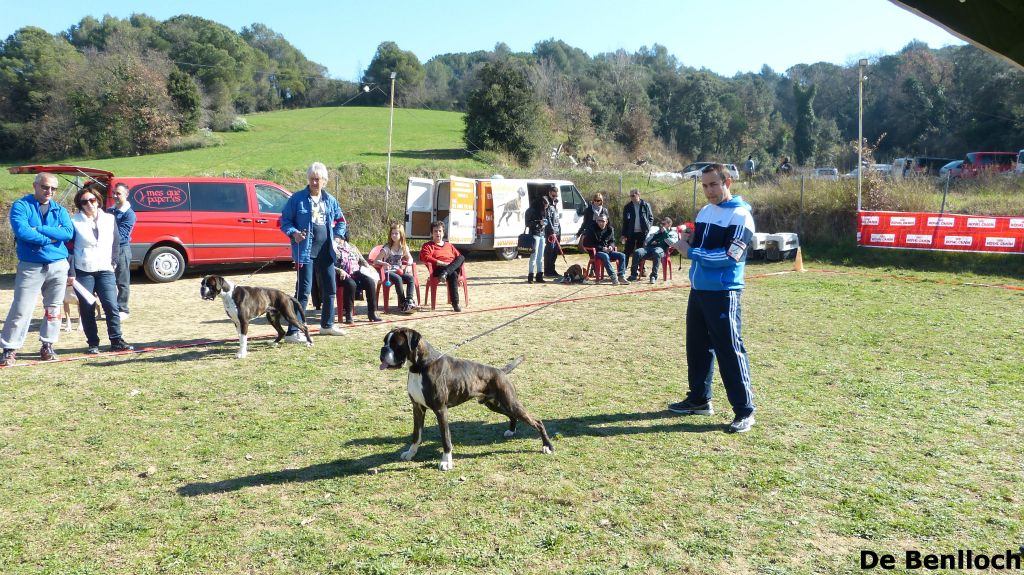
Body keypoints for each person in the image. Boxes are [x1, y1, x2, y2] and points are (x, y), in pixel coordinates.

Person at [669, 164, 757, 433]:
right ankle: (699, 399)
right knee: (697, 347)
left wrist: (690, 252)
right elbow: (702, 245)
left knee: (729, 350)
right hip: (698, 290)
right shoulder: (705, 211)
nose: (709, 191)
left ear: (727, 183)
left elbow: (731, 256)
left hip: (724, 293)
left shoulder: (741, 216)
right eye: (705, 185)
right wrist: (689, 238)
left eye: (714, 185)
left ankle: (744, 411)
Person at [1, 173, 75, 366]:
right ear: (35, 185)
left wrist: (40, 230)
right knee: (21, 308)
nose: (49, 191)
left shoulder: (60, 210)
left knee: (54, 309)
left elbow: (68, 233)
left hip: (58, 265)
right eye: (45, 187)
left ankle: (48, 345)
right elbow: (22, 231)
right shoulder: (21, 206)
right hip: (31, 266)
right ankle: (9, 349)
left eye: (53, 188)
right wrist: (51, 239)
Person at [280, 162, 347, 338]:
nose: (315, 183)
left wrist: (338, 237)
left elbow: (341, 221)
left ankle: (327, 325)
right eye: (312, 179)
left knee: (330, 289)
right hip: (305, 252)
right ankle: (293, 331)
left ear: (324, 180)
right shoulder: (297, 199)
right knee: (303, 292)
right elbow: (285, 221)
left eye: (318, 179)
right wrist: (294, 233)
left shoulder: (330, 200)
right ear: (308, 180)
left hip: (326, 251)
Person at [67, 183, 134, 354]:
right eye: (84, 202)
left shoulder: (109, 219)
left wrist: (113, 262)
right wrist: (71, 272)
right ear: (80, 204)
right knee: (87, 307)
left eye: (92, 200)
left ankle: (116, 340)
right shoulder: (74, 221)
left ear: (98, 200)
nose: (89, 204)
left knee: (111, 306)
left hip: (105, 269)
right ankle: (93, 343)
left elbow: (116, 242)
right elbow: (69, 248)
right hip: (83, 270)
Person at [335, 235, 382, 324]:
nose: (335, 238)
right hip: (341, 274)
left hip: (356, 272)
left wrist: (369, 269)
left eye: (337, 236)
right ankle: (348, 314)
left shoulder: (352, 247)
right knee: (351, 284)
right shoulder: (333, 248)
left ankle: (372, 312)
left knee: (370, 282)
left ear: (343, 237)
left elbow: (362, 260)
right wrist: (339, 270)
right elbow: (329, 265)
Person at [419, 220, 465, 312]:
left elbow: (459, 258)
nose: (438, 233)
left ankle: (446, 273)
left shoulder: (449, 245)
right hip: (438, 269)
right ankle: (455, 303)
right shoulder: (427, 246)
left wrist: (459, 274)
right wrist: (441, 263)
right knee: (453, 273)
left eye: (440, 231)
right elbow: (425, 257)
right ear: (432, 233)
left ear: (443, 233)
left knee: (461, 257)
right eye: (435, 231)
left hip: (449, 269)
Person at [374, 223, 417, 313]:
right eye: (392, 233)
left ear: (401, 235)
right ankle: (403, 303)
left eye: (396, 233)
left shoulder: (403, 247)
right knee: (398, 279)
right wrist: (383, 263)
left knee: (411, 278)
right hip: (388, 272)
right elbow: (376, 261)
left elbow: (410, 258)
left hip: (398, 271)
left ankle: (409, 300)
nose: (394, 235)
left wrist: (408, 265)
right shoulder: (387, 248)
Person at [626, 216, 678, 284]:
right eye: (661, 224)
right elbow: (647, 242)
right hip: (649, 248)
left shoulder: (673, 233)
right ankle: (633, 275)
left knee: (656, 252)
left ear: (669, 224)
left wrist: (664, 233)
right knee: (637, 252)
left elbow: (671, 244)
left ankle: (653, 276)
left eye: (663, 224)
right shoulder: (657, 232)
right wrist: (652, 240)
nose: (661, 225)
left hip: (661, 249)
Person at [111, 182, 135, 319]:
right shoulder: (110, 211)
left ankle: (123, 309)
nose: (115, 196)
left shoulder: (129, 214)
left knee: (122, 281)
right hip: (108, 249)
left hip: (122, 250)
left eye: (118, 193)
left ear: (126, 195)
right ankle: (112, 308)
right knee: (109, 281)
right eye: (113, 193)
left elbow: (122, 235)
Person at [584, 214, 629, 285]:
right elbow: (588, 243)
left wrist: (611, 246)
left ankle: (621, 276)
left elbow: (612, 241)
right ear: (597, 221)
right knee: (605, 256)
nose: (600, 223)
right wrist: (602, 248)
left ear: (606, 221)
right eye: (599, 221)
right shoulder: (592, 229)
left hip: (608, 251)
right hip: (597, 252)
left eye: (603, 221)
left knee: (622, 255)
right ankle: (613, 277)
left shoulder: (610, 229)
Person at [620, 188, 653, 269]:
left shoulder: (646, 205)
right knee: (627, 251)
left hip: (642, 233)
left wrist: (648, 227)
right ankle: (623, 270)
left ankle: (641, 269)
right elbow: (625, 222)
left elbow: (651, 218)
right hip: (631, 233)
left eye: (633, 195)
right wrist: (624, 234)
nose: (631, 197)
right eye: (630, 196)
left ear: (638, 195)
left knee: (641, 251)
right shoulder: (627, 207)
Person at [523, 196, 548, 284]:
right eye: (545, 205)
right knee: (533, 256)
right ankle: (530, 276)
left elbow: (546, 221)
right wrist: (538, 223)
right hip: (534, 234)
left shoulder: (543, 210)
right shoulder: (530, 210)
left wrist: (544, 224)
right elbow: (527, 223)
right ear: (541, 204)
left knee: (540, 257)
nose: (546, 207)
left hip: (542, 234)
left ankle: (539, 276)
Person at [542, 184, 562, 277]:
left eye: (556, 196)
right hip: (551, 233)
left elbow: (556, 219)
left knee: (554, 252)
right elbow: (548, 219)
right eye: (553, 195)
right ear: (549, 193)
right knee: (549, 251)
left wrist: (558, 231)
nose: (555, 197)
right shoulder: (547, 204)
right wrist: (552, 232)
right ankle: (547, 271)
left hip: (557, 231)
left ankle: (552, 270)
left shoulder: (554, 204)